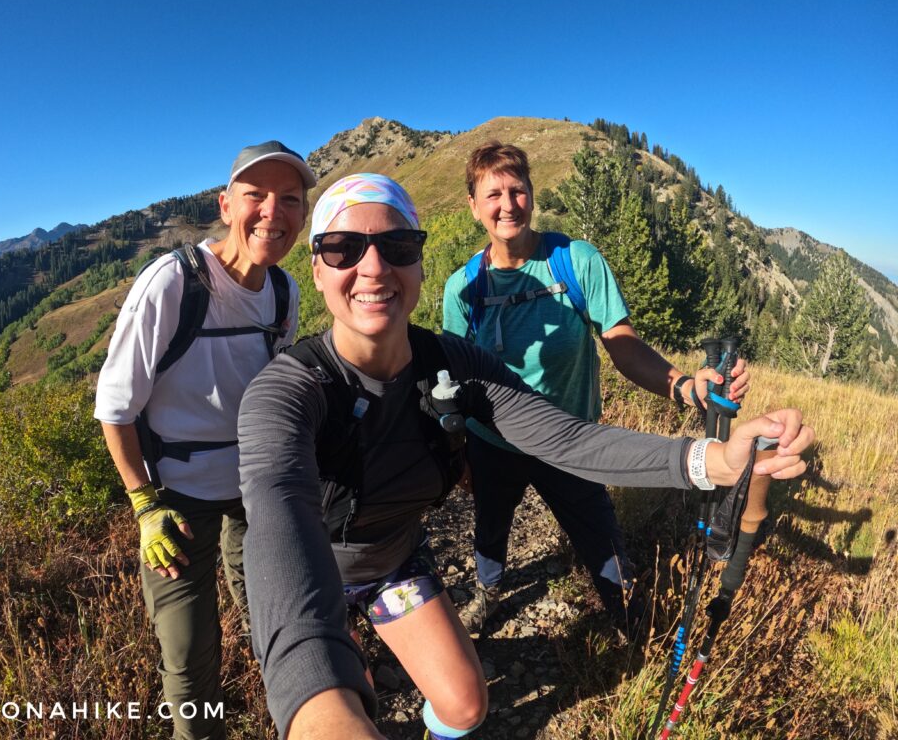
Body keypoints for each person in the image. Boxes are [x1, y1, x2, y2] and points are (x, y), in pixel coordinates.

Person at [236, 174, 812, 740]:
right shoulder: (288, 391)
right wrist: (315, 704)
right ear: (315, 268)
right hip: (314, 573)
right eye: (343, 249)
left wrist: (718, 461)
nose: (373, 267)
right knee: (343, 695)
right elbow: (277, 517)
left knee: (465, 705)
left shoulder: (451, 363)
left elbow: (569, 441)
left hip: (393, 563)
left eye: (397, 245)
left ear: (416, 261)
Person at [442, 141, 750, 635]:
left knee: (602, 543)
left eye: (517, 190)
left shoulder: (574, 261)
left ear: (532, 195)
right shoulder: (463, 289)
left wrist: (685, 386)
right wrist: (457, 453)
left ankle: (630, 619)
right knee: (491, 525)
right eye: (493, 194)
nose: (507, 204)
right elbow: (454, 380)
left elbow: (622, 345)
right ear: (474, 206)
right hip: (493, 441)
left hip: (571, 440)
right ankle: (489, 591)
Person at [94, 140, 315, 740]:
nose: (273, 212)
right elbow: (114, 408)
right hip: (177, 499)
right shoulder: (173, 284)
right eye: (256, 196)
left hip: (254, 489)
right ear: (226, 205)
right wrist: (144, 505)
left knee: (271, 616)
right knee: (189, 653)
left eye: (289, 200)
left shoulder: (284, 293)